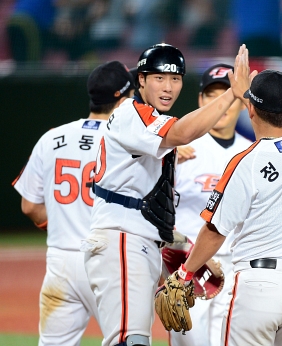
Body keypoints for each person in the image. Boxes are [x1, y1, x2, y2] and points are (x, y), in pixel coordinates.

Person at [81, 43, 251, 346]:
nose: (168, 86)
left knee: (136, 338)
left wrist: (188, 250)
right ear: (141, 80)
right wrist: (231, 94)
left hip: (141, 240)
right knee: (128, 341)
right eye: (159, 78)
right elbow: (182, 133)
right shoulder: (131, 113)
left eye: (175, 79)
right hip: (122, 238)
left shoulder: (149, 121)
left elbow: (154, 203)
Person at [174, 69, 282, 345]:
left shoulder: (245, 162)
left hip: (259, 286)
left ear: (249, 109)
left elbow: (215, 230)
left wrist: (185, 273)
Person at [12, 61, 135, 345]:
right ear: (124, 98)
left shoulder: (51, 138)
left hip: (61, 262)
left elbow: (29, 207)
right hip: (108, 261)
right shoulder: (129, 142)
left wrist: (61, 220)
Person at [168, 63, 252, 346]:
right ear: (201, 101)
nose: (221, 103)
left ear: (241, 102)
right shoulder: (178, 149)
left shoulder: (252, 152)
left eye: (227, 94)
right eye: (211, 95)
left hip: (239, 269)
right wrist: (163, 155)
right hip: (189, 266)